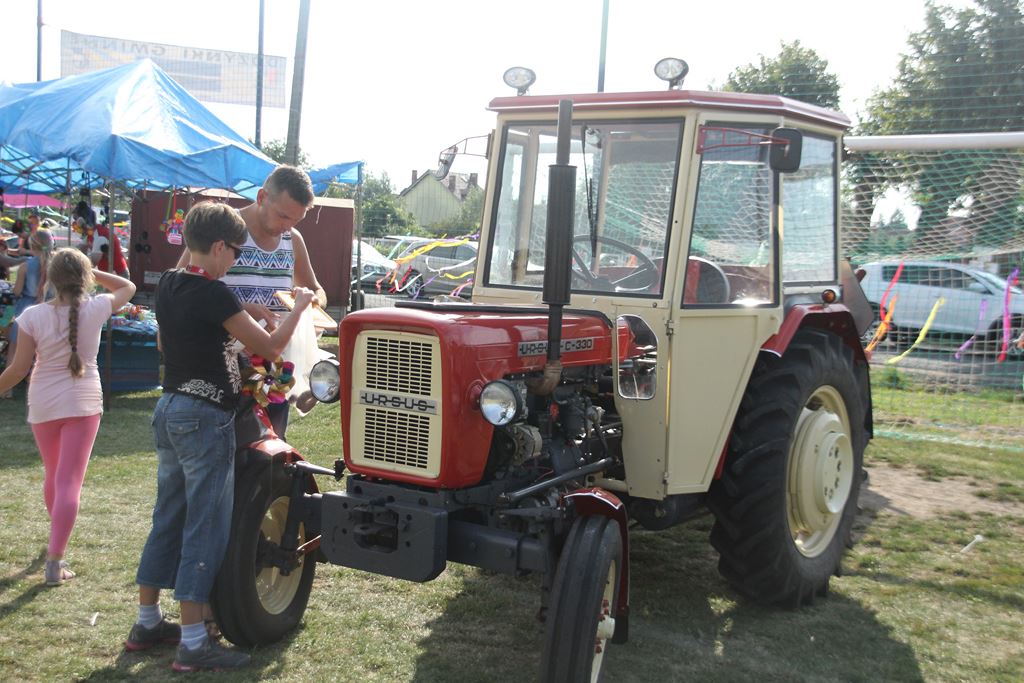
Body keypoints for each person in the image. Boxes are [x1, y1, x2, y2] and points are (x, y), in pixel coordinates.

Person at [127, 202, 314, 672]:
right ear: (217, 247)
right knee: (206, 526)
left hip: (169, 408)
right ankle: (194, 641)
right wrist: (301, 307)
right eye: (233, 252)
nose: (234, 261)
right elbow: (270, 346)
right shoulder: (215, 294)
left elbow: (176, 340)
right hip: (205, 416)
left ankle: (147, 621)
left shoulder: (168, 284)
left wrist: (239, 311)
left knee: (167, 516)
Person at [0, 248, 136, 584]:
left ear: (50, 278)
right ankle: (55, 559)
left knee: (55, 476)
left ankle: (56, 544)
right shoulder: (97, 307)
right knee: (69, 481)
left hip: (44, 402)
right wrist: (93, 271)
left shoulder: (32, 316)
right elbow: (127, 287)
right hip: (83, 402)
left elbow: (18, 369)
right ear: (85, 278)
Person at [175, 166, 325, 439]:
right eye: (283, 215)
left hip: (273, 376)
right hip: (220, 374)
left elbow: (316, 289)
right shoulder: (220, 228)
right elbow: (183, 286)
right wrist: (242, 309)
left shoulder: (293, 240)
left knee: (269, 458)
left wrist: (312, 306)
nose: (287, 226)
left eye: (296, 220)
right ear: (261, 197)